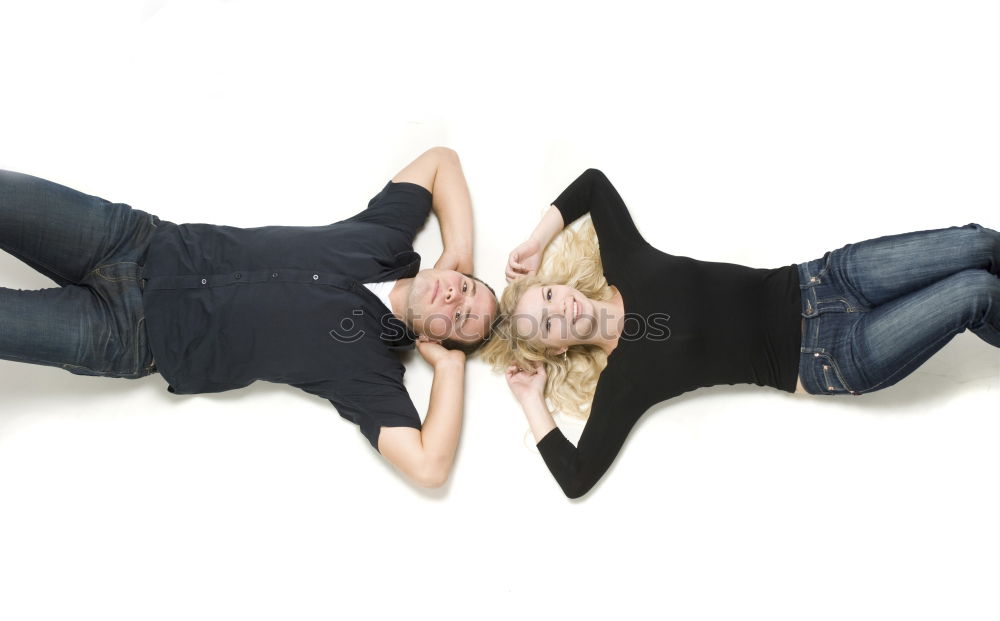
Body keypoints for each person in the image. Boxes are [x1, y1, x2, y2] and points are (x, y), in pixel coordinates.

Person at [484, 168, 999, 499]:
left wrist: (535, 240)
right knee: (974, 293)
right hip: (830, 357)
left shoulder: (626, 261)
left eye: (548, 296)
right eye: (547, 323)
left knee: (980, 245)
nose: (560, 308)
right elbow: (575, 478)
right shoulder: (625, 383)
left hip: (825, 278)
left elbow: (593, 184)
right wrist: (532, 400)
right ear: (556, 347)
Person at [0, 147, 498, 488]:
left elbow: (430, 467)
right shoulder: (386, 236)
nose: (456, 296)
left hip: (128, 336)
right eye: (469, 288)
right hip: (131, 238)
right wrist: (460, 248)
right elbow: (440, 160)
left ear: (437, 342)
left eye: (458, 319)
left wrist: (451, 369)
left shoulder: (371, 374)